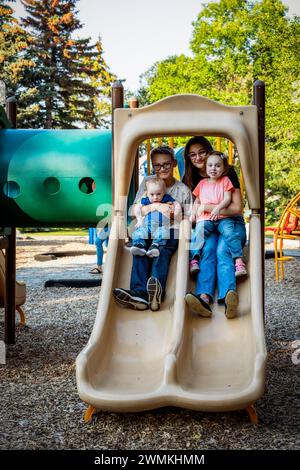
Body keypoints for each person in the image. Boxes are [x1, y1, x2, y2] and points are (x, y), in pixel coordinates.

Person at [113, 145, 192, 311]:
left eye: (166, 164)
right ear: (153, 165)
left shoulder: (182, 190)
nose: (161, 168)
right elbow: (133, 210)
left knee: (161, 247)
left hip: (170, 230)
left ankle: (156, 291)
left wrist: (172, 214)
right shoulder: (147, 183)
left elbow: (189, 217)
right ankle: (139, 293)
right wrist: (155, 207)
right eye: (157, 165)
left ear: (174, 163)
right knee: (139, 247)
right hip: (148, 227)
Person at [182, 136, 247, 319]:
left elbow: (235, 208)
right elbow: (191, 207)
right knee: (208, 250)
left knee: (222, 250)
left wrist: (206, 207)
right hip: (207, 223)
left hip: (230, 222)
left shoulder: (227, 173)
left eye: (202, 152)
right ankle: (203, 297)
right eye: (192, 154)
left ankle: (228, 297)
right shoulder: (193, 178)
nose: (198, 158)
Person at [189, 151, 247, 277]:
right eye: (210, 165)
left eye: (217, 166)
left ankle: (238, 260)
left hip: (223, 218)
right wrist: (193, 214)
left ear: (224, 168)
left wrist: (218, 208)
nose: (213, 168)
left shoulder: (225, 181)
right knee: (199, 232)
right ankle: (194, 259)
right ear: (206, 167)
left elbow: (227, 199)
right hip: (206, 218)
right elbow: (197, 201)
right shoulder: (202, 183)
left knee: (230, 233)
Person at [131, 177, 181, 258]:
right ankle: (139, 245)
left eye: (158, 194)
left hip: (161, 226)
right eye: (152, 194)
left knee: (163, 233)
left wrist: (175, 214)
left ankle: (155, 246)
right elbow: (136, 208)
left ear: (163, 193)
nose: (155, 197)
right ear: (147, 193)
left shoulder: (166, 198)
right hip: (147, 225)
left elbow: (176, 204)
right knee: (139, 232)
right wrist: (139, 219)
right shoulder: (146, 200)